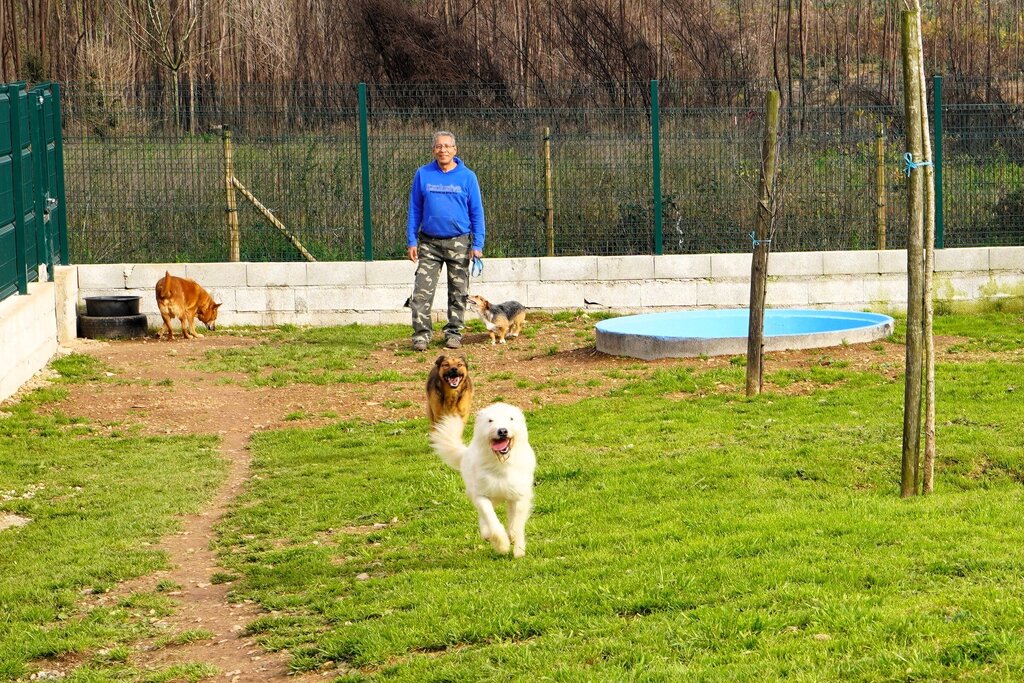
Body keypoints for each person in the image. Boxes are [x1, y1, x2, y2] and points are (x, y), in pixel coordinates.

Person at [406, 131, 485, 351]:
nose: (443, 150)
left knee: (458, 291)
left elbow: (477, 212)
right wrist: (412, 240)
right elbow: (415, 209)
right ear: (433, 150)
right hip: (428, 243)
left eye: (447, 146)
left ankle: (454, 333)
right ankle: (421, 336)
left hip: (459, 242)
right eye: (439, 147)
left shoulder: (468, 177)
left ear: (455, 150)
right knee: (421, 291)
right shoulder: (422, 174)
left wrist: (477, 245)